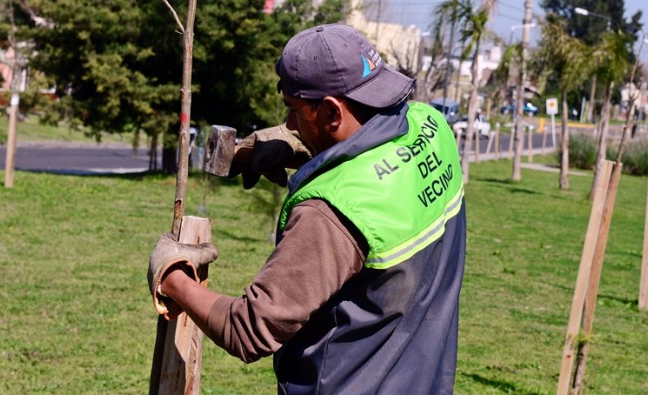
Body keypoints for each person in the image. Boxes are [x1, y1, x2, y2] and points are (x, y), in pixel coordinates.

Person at [147, 24, 467, 394]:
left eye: (294, 111)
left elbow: (248, 330)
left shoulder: (330, 214)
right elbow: (383, 150)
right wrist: (298, 148)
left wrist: (171, 275)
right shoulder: (432, 127)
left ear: (331, 112)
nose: (288, 124)